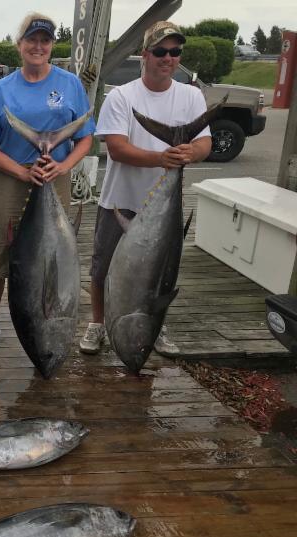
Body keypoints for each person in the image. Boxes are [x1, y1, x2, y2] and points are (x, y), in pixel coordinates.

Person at [79, 21, 211, 356]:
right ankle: (97, 324)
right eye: (161, 51)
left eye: (175, 52)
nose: (168, 58)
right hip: (120, 201)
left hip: (165, 209)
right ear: (145, 54)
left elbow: (205, 143)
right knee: (102, 268)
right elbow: (116, 148)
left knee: (160, 274)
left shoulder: (192, 96)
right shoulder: (122, 96)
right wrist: (162, 158)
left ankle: (154, 324)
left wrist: (189, 152)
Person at [0, 13, 94, 352]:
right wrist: (22, 172)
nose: (38, 46)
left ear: (52, 45)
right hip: (9, 177)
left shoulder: (70, 84)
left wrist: (62, 166)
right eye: (32, 40)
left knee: (54, 254)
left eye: (45, 40)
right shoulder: (1, 89)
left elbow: (85, 137)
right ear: (20, 45)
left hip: (54, 176)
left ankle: (48, 316)